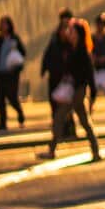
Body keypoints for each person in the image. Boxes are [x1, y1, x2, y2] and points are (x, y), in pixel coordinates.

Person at [39, 18, 100, 161]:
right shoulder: (70, 49)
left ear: (79, 34)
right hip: (73, 90)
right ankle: (95, 151)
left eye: (72, 31)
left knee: (59, 118)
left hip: (78, 91)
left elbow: (89, 75)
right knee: (84, 122)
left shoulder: (82, 52)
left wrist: (93, 95)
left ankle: (52, 150)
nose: (69, 33)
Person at [41, 8, 76, 140]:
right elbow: (48, 54)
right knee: (54, 103)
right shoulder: (54, 39)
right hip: (55, 75)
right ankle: (59, 132)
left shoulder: (73, 39)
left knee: (67, 106)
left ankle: (67, 130)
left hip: (67, 77)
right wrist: (44, 68)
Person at [0, 15, 26, 130]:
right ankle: (3, 122)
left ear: (9, 25)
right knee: (0, 98)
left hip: (12, 74)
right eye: (1, 23)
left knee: (12, 96)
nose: (3, 26)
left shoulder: (15, 39)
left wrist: (15, 56)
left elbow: (23, 53)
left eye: (5, 23)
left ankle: (20, 114)